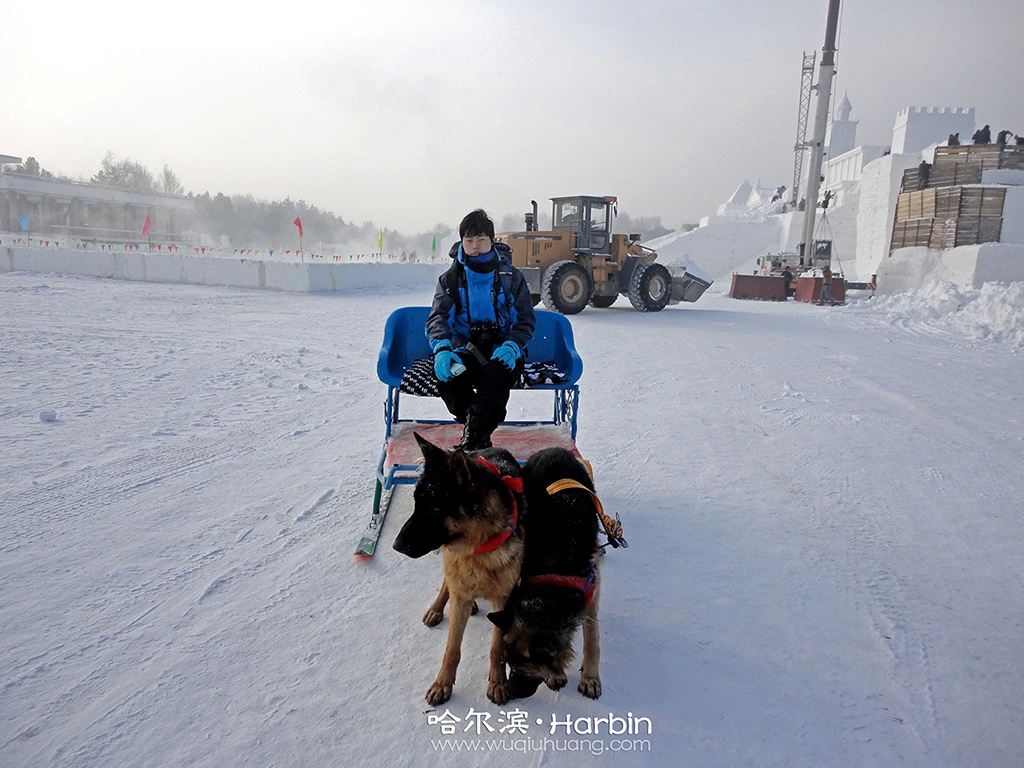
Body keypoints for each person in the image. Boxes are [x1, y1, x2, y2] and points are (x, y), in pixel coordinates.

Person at [426, 209, 536, 451]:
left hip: (502, 350)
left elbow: (525, 320)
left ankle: (471, 443)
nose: (475, 246)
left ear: (492, 241)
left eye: (481, 239)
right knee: (448, 380)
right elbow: (438, 318)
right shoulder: (450, 280)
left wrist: (513, 345)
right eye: (469, 240)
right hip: (464, 349)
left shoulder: (511, 278)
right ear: (462, 242)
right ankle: (478, 434)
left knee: (494, 377)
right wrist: (443, 349)